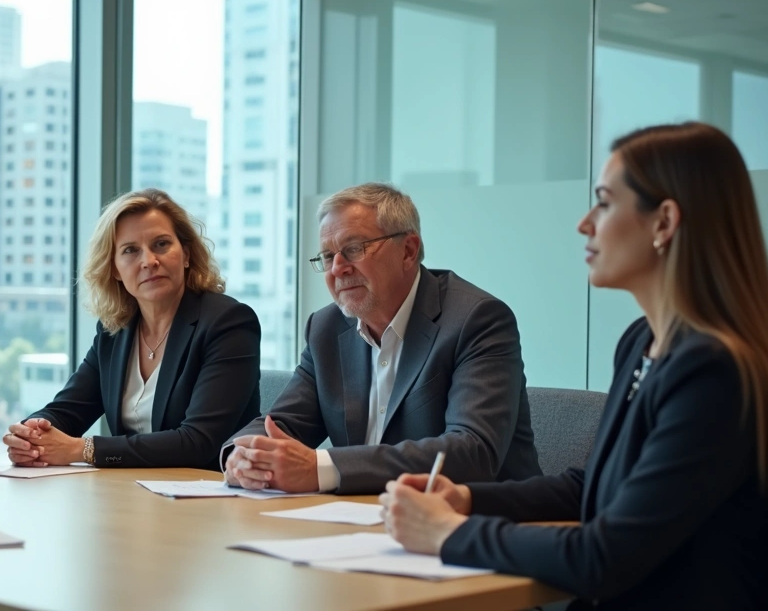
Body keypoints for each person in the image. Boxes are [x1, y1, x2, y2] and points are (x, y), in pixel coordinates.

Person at [381, 122, 768, 609]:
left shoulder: (716, 372)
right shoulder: (644, 342)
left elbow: (605, 556)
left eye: (604, 201)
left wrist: (449, 534)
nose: (584, 223)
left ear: (664, 223)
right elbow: (591, 487)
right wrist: (468, 500)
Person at [223, 183, 541, 495]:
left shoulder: (476, 319)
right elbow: (280, 426)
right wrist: (241, 457)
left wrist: (320, 468)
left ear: (408, 250)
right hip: (363, 521)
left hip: (481, 526)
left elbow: (471, 452)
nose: (338, 269)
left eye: (354, 249)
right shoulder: (326, 328)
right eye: (328, 256)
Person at [1, 189, 261, 471]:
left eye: (161, 244)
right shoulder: (115, 331)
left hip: (210, 500)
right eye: (130, 250)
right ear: (114, 269)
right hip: (132, 496)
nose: (149, 261)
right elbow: (67, 410)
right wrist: (29, 435)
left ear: (186, 254)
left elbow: (198, 442)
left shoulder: (228, 323)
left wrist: (83, 449)